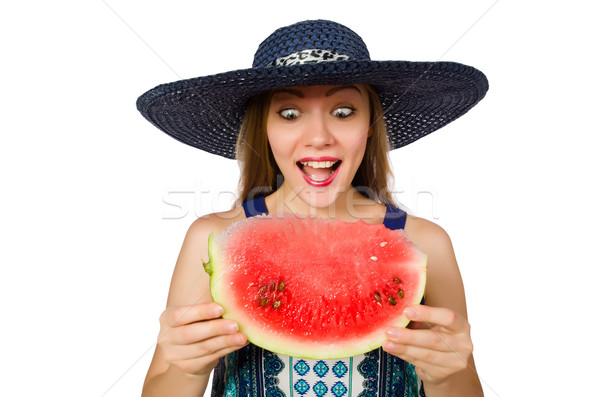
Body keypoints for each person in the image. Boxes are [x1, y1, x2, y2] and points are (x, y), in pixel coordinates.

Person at [137, 19, 488, 397]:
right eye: (289, 113)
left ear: (371, 123)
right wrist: (186, 371)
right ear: (264, 128)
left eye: (343, 112)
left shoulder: (425, 244)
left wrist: (447, 375)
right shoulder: (212, 239)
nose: (319, 138)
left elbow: (464, 386)